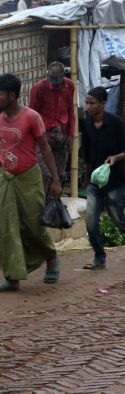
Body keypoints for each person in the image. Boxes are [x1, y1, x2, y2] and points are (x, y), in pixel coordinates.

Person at [0, 73, 61, 290]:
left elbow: (45, 148)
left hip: (29, 178)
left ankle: (51, 258)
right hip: (5, 179)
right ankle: (12, 277)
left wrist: (55, 180)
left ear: (11, 95)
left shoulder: (31, 117)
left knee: (34, 225)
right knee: (6, 228)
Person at [81, 86, 125, 270]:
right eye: (87, 103)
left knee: (117, 218)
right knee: (90, 220)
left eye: (92, 103)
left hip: (115, 179)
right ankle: (99, 258)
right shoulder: (86, 123)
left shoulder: (116, 123)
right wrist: (86, 175)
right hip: (96, 178)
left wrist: (116, 158)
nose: (88, 106)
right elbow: (87, 151)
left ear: (103, 104)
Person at [29, 61, 76, 186]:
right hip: (45, 134)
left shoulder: (69, 85)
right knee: (45, 173)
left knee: (60, 173)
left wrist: (71, 134)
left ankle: (55, 202)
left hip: (62, 134)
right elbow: (32, 114)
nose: (55, 85)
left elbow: (71, 110)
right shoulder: (39, 88)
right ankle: (44, 203)